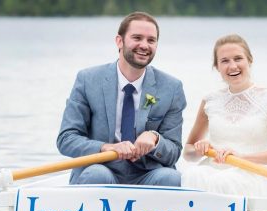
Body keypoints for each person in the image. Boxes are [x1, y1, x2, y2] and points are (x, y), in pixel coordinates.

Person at [57, 12, 186, 186]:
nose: (144, 45)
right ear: (119, 41)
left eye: (151, 40)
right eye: (137, 38)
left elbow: (174, 151)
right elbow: (67, 138)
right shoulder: (88, 80)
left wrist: (155, 139)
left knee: (172, 178)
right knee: (97, 174)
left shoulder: (172, 87)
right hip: (101, 168)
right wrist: (106, 147)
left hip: (147, 173)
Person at [182, 34, 267, 197]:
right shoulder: (210, 100)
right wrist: (200, 149)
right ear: (217, 67)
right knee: (193, 174)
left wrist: (243, 158)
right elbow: (188, 153)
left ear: (249, 60)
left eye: (238, 58)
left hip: (249, 174)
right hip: (210, 170)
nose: (233, 66)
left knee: (225, 181)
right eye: (225, 61)